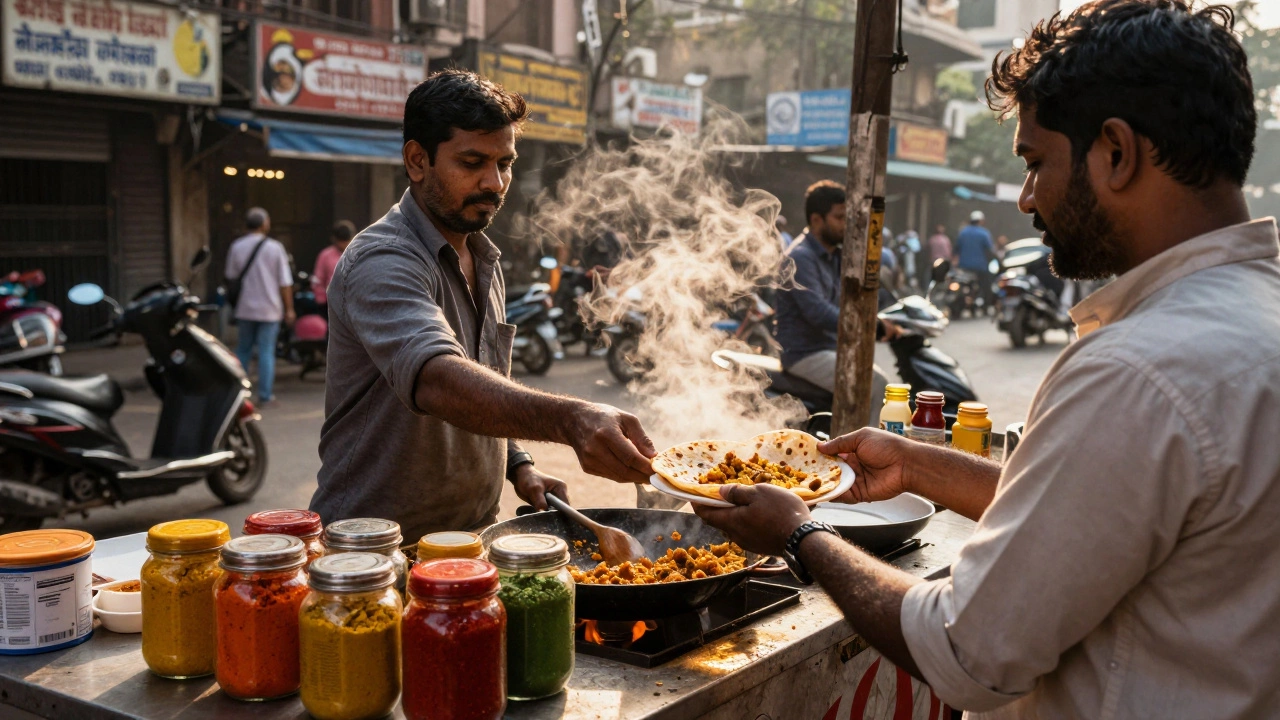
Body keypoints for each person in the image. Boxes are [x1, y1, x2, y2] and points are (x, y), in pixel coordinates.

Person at [695, 2, 1280, 716]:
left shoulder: (1139, 369)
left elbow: (964, 651)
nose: (1029, 198)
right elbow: (1105, 512)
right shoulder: (1252, 321)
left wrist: (799, 531)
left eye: (1036, 163)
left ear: (1117, 152)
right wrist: (917, 465)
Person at [311, 70, 655, 541]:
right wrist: (570, 419)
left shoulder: (483, 256)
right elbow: (438, 379)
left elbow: (483, 385)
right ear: (417, 160)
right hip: (377, 548)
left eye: (505, 163)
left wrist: (519, 465)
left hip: (472, 539)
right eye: (472, 162)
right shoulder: (382, 258)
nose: (494, 182)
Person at [774, 180, 891, 426]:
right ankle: (865, 458)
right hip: (804, 353)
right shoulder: (800, 258)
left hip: (827, 348)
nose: (846, 225)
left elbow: (851, 301)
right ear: (817, 220)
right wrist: (872, 327)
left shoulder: (835, 255)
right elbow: (818, 312)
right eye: (840, 218)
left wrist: (877, 318)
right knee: (877, 384)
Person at [225, 207, 294, 405]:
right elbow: (285, 282)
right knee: (266, 351)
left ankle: (239, 394)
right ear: (265, 224)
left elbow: (231, 277)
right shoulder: (275, 248)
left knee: (243, 350)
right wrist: (289, 308)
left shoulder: (236, 246)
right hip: (270, 309)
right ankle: (265, 395)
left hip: (245, 308)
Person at [954, 210, 997, 309]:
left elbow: (956, 248)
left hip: (963, 266)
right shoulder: (984, 233)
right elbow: (990, 250)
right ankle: (986, 306)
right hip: (980, 267)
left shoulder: (963, 232)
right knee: (986, 286)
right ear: (981, 221)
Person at [312, 220, 355, 318]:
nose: (344, 245)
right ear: (335, 239)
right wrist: (322, 300)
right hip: (330, 305)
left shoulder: (357, 254)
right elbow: (317, 280)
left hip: (354, 304)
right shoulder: (325, 255)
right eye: (341, 242)